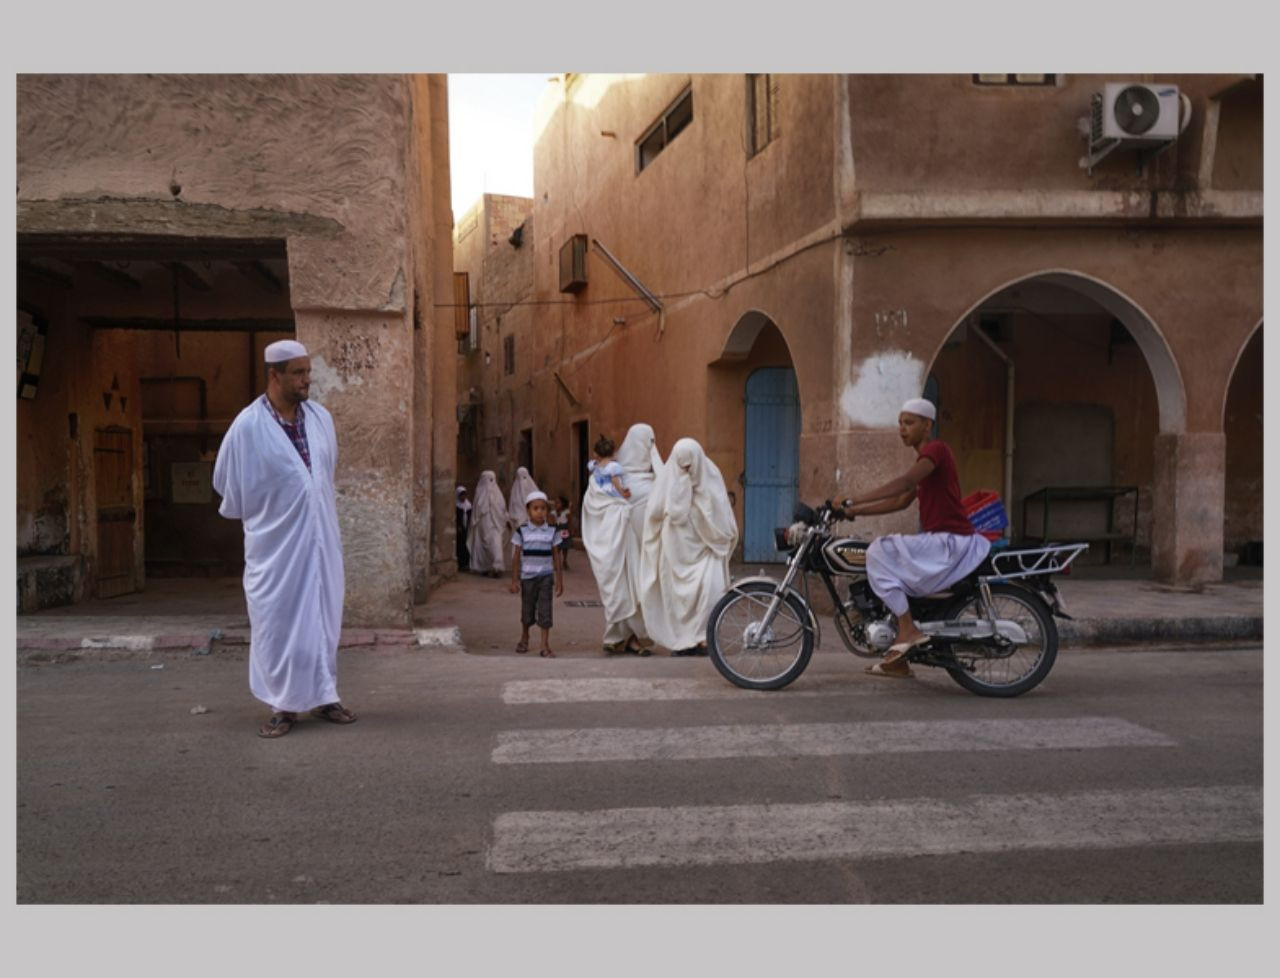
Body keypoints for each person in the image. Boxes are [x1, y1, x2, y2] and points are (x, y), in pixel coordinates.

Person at [212, 339, 355, 739]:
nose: (307, 380)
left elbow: (324, 475)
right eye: (298, 373)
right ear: (274, 376)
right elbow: (226, 482)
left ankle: (326, 696)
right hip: (275, 548)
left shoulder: (320, 419)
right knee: (278, 623)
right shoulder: (248, 426)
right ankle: (283, 705)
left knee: (323, 620)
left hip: (321, 540)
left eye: (308, 372)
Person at [837, 397, 991, 679]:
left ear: (927, 424)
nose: (902, 429)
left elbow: (904, 483)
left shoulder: (937, 450)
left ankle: (907, 628)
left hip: (950, 542)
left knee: (878, 551)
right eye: (900, 423)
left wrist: (853, 498)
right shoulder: (926, 460)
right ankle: (897, 658)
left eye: (909, 423)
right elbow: (901, 500)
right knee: (889, 562)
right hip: (941, 542)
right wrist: (854, 511)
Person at [639, 437, 738, 656]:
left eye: (690, 466)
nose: (686, 471)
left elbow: (720, 512)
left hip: (706, 547)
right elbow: (654, 513)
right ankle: (682, 641)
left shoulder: (711, 476)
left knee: (711, 591)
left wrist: (700, 517)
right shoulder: (667, 477)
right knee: (676, 599)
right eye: (681, 467)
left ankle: (704, 637)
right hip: (675, 551)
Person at [582, 425, 663, 655]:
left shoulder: (608, 474)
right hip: (622, 547)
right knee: (625, 591)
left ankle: (629, 639)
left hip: (636, 551)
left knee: (632, 592)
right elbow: (594, 507)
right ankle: (622, 637)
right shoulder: (614, 477)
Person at [509, 490, 564, 657]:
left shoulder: (552, 531)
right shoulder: (522, 531)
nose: (540, 512)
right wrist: (514, 580)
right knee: (527, 609)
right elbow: (516, 556)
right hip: (527, 578)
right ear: (528, 510)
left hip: (546, 577)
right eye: (535, 508)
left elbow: (556, 556)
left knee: (545, 610)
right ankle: (524, 638)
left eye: (543, 508)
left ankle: (544, 645)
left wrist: (559, 580)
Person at [467, 470, 507, 577]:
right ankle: (484, 567)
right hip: (483, 525)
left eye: (492, 480)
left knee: (495, 543)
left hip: (496, 524)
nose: (490, 483)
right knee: (484, 544)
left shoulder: (498, 495)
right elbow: (477, 510)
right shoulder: (479, 495)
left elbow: (502, 508)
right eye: (488, 480)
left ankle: (497, 567)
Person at [506, 466, 541, 540]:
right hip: (519, 519)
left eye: (525, 477)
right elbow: (512, 506)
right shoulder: (515, 491)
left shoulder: (533, 489)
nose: (523, 481)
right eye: (521, 477)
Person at [553, 494, 573, 570]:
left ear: (563, 504)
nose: (556, 504)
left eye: (558, 503)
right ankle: (556, 563)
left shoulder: (566, 512)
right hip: (557, 530)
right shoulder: (554, 512)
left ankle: (564, 560)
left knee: (565, 547)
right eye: (555, 503)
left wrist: (571, 530)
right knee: (556, 548)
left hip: (564, 530)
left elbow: (570, 522)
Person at [455, 486, 472, 572]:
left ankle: (466, 564)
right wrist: (458, 526)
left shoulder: (468, 505)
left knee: (467, 545)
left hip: (467, 528)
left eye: (464, 495)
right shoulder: (456, 505)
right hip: (460, 529)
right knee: (460, 546)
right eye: (461, 495)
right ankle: (460, 564)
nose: (463, 497)